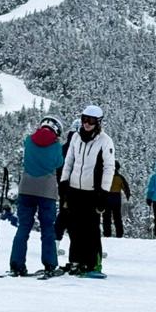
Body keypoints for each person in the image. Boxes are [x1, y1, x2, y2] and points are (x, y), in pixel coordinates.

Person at [60, 105, 115, 275]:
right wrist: (64, 181)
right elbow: (69, 161)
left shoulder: (105, 141)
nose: (87, 123)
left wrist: (104, 192)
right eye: (84, 119)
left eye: (91, 120)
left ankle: (93, 264)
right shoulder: (76, 138)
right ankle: (76, 261)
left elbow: (109, 167)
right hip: (75, 188)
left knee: (91, 228)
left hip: (93, 191)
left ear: (98, 122)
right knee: (74, 227)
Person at [8, 115, 65, 276]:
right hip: (47, 191)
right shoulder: (56, 145)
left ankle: (16, 264)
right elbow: (59, 163)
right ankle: (50, 264)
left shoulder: (28, 140)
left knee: (23, 228)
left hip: (26, 188)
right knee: (47, 229)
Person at [55, 118, 79, 248]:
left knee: (63, 215)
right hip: (77, 187)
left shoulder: (63, 148)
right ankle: (77, 249)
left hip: (62, 186)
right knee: (77, 218)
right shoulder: (80, 148)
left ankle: (56, 243)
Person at [103, 163, 131, 238]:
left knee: (106, 218)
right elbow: (126, 188)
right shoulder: (120, 177)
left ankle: (107, 233)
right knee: (117, 218)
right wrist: (128, 195)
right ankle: (119, 234)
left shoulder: (105, 176)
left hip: (107, 199)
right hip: (116, 199)